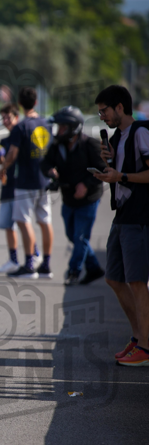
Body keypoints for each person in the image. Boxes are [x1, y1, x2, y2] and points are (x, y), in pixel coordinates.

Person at [94, 85, 149, 367]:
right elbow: (119, 175)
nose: (101, 116)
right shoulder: (119, 137)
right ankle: (138, 337)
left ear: (119, 107)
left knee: (137, 281)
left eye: (104, 110)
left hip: (139, 217)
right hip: (122, 216)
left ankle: (147, 348)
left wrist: (121, 175)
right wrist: (109, 166)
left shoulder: (141, 132)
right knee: (114, 278)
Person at [41, 106, 105, 286]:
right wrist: (50, 172)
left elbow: (103, 168)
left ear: (73, 128)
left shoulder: (90, 144)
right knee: (73, 235)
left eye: (62, 127)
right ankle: (93, 269)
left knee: (80, 237)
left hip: (89, 200)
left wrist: (86, 184)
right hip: (68, 199)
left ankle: (73, 271)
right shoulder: (56, 146)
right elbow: (45, 164)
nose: (58, 131)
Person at [0, 87, 53, 279]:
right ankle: (46, 264)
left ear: (20, 105)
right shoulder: (46, 123)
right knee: (45, 221)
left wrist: (3, 167)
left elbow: (12, 154)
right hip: (44, 179)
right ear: (36, 102)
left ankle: (30, 264)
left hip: (26, 181)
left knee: (23, 220)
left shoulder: (21, 127)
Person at [0, 104, 21, 274]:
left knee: (22, 225)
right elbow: (1, 162)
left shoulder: (21, 137)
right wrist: (1, 161)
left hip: (20, 187)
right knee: (8, 225)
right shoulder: (3, 141)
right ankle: (14, 259)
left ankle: (28, 257)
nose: (5, 121)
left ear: (16, 117)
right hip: (7, 187)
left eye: (8, 117)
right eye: (3, 118)